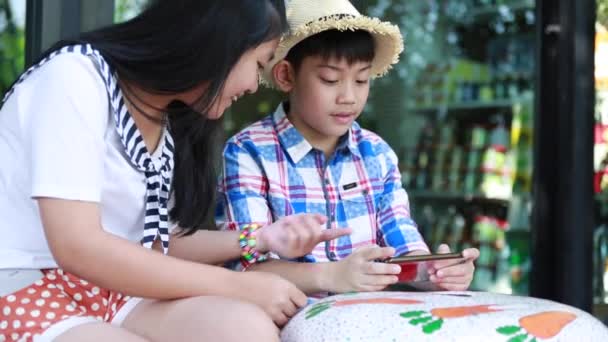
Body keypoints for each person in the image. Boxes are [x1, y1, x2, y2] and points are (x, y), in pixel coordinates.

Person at [0, 1, 351, 341]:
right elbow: (79, 246)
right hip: (23, 282)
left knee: (245, 329)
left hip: (112, 288)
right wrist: (239, 285)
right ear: (218, 43)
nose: (253, 87)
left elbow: (157, 245)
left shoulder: (167, 119)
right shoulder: (74, 77)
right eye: (258, 65)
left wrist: (260, 239)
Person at [217, 0, 480, 297]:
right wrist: (329, 275)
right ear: (287, 76)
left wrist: (435, 272)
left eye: (361, 80)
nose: (349, 97)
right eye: (330, 79)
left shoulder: (377, 154)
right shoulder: (249, 152)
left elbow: (402, 240)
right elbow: (245, 266)